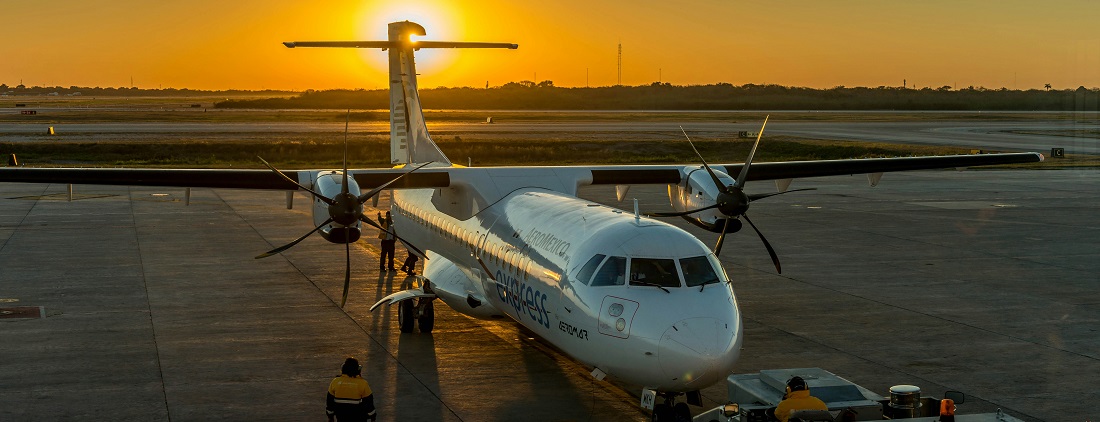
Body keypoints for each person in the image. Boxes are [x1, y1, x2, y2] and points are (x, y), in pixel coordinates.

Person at [326, 357, 376, 422]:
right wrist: (373, 418)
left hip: (341, 417)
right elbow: (369, 403)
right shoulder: (363, 383)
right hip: (359, 418)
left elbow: (330, 402)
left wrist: (330, 417)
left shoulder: (335, 382)